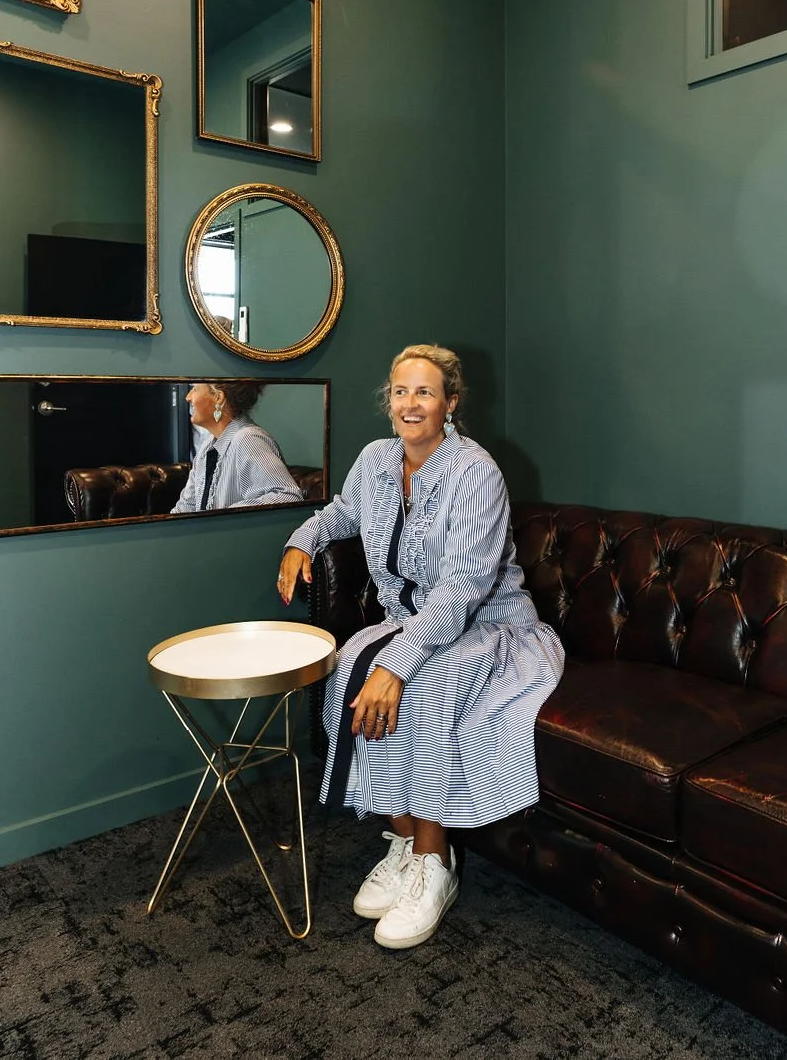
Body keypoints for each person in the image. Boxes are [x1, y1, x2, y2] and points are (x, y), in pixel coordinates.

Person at [278, 344, 564, 950]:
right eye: (401, 391)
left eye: (426, 392)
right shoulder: (377, 460)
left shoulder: (476, 472)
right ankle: (405, 839)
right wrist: (302, 541)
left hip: (488, 628)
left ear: (450, 403)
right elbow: (341, 513)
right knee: (348, 666)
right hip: (409, 621)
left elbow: (461, 592)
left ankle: (437, 864)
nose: (411, 404)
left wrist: (399, 663)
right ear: (390, 401)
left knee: (421, 683)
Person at [171, 381, 304, 512]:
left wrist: (225, 518)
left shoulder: (248, 439)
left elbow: (289, 497)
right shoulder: (207, 447)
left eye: (194, 389)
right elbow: (186, 507)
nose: (187, 397)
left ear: (218, 398)